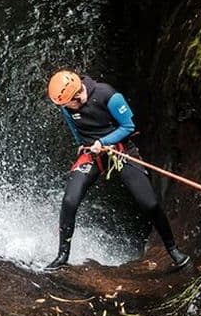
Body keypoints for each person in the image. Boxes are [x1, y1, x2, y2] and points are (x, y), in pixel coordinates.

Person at [45, 70, 190, 271]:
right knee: (69, 200)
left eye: (67, 103)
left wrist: (103, 142)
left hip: (120, 150)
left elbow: (128, 126)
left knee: (150, 204)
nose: (65, 108)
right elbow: (75, 128)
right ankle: (62, 256)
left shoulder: (108, 96)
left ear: (77, 94)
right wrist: (83, 145)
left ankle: (173, 250)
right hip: (92, 153)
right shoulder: (67, 105)